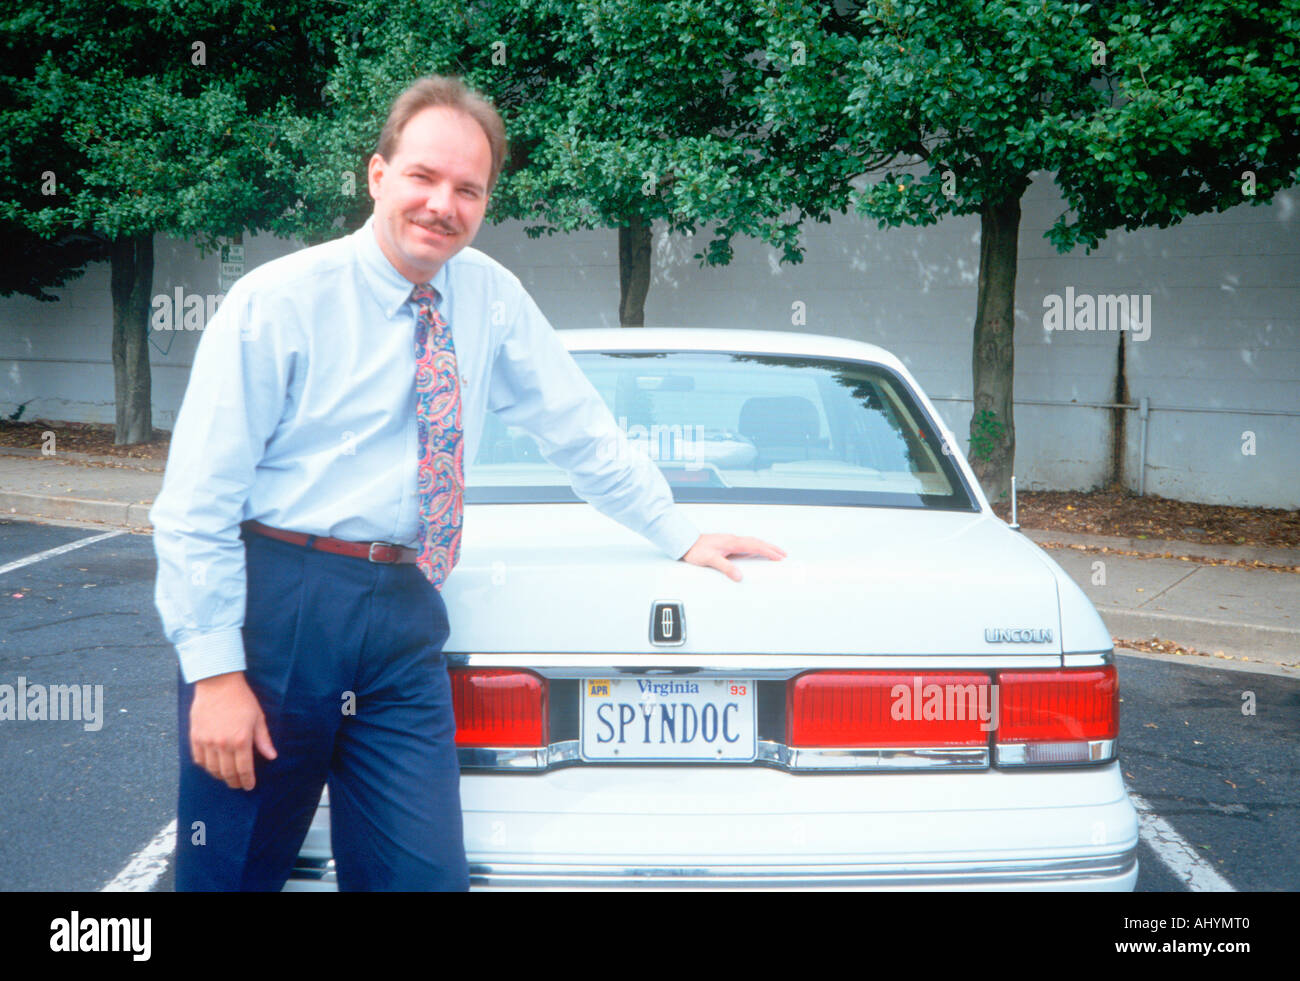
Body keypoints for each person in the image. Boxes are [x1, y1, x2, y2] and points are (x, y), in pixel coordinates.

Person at [149, 75, 785, 891]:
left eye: (468, 189)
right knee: (231, 872)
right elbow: (196, 503)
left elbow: (578, 428)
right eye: (422, 177)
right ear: (378, 175)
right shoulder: (276, 303)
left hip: (406, 610)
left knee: (422, 876)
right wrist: (215, 673)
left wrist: (678, 531)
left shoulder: (489, 297)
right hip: (281, 607)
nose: (441, 203)